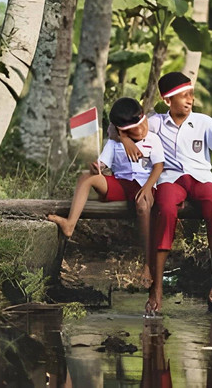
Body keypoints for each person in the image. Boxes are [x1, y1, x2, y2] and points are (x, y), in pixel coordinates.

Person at [119, 72, 212, 312]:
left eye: (192, 95)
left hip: (200, 178)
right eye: (184, 96)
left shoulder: (203, 122)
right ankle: (157, 288)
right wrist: (126, 139)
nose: (190, 100)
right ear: (167, 100)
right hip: (170, 179)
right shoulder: (154, 122)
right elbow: (120, 125)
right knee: (165, 209)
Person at [49, 97, 165, 290]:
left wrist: (147, 188)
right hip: (120, 184)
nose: (141, 129)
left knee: (143, 205)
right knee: (86, 176)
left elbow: (159, 167)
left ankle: (147, 263)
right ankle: (70, 224)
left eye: (142, 123)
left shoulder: (153, 139)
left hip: (145, 184)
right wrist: (97, 166)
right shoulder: (114, 143)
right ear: (121, 130)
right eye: (134, 128)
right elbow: (104, 164)